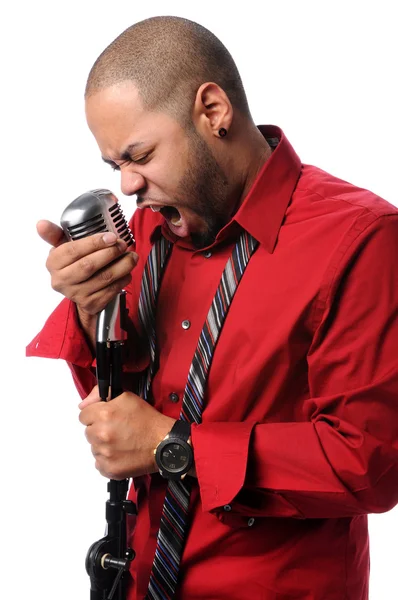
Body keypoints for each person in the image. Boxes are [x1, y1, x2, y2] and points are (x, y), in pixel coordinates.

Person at [26, 15, 398, 600]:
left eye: (139, 154)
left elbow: (370, 462)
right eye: (113, 166)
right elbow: (124, 411)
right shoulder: (145, 230)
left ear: (214, 111)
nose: (126, 186)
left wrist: (174, 447)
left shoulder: (360, 237)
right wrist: (89, 310)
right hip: (136, 578)